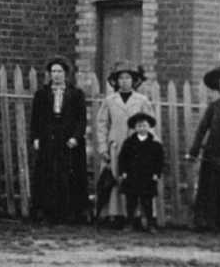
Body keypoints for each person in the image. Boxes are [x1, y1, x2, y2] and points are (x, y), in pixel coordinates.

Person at [30, 55, 88, 223]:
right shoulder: (42, 94)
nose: (56, 75)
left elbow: (81, 119)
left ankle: (69, 213)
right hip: (48, 139)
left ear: (66, 74)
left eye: (59, 71)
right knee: (48, 174)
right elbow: (36, 118)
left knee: (69, 175)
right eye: (53, 71)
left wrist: (76, 137)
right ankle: (48, 212)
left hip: (68, 139)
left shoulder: (76, 94)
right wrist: (35, 137)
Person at [95, 62, 154, 227]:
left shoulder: (142, 100)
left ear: (134, 81)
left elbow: (150, 125)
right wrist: (103, 147)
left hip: (137, 147)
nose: (124, 81)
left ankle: (136, 216)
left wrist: (150, 146)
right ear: (115, 81)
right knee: (115, 178)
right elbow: (102, 124)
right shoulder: (109, 100)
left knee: (136, 180)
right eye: (120, 78)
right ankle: (114, 214)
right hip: (115, 145)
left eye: (128, 78)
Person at [186, 62, 220, 231]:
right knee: (212, 189)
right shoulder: (214, 107)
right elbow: (202, 129)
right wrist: (194, 151)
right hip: (214, 153)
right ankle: (210, 222)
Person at [117, 112, 164, 233]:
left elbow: (159, 161)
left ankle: (150, 224)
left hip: (147, 177)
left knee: (147, 202)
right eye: (139, 126)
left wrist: (156, 174)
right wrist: (122, 172)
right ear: (135, 128)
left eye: (144, 125)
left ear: (149, 127)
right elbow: (122, 158)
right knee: (130, 201)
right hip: (131, 176)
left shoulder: (155, 144)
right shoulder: (128, 143)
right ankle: (129, 223)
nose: (142, 128)